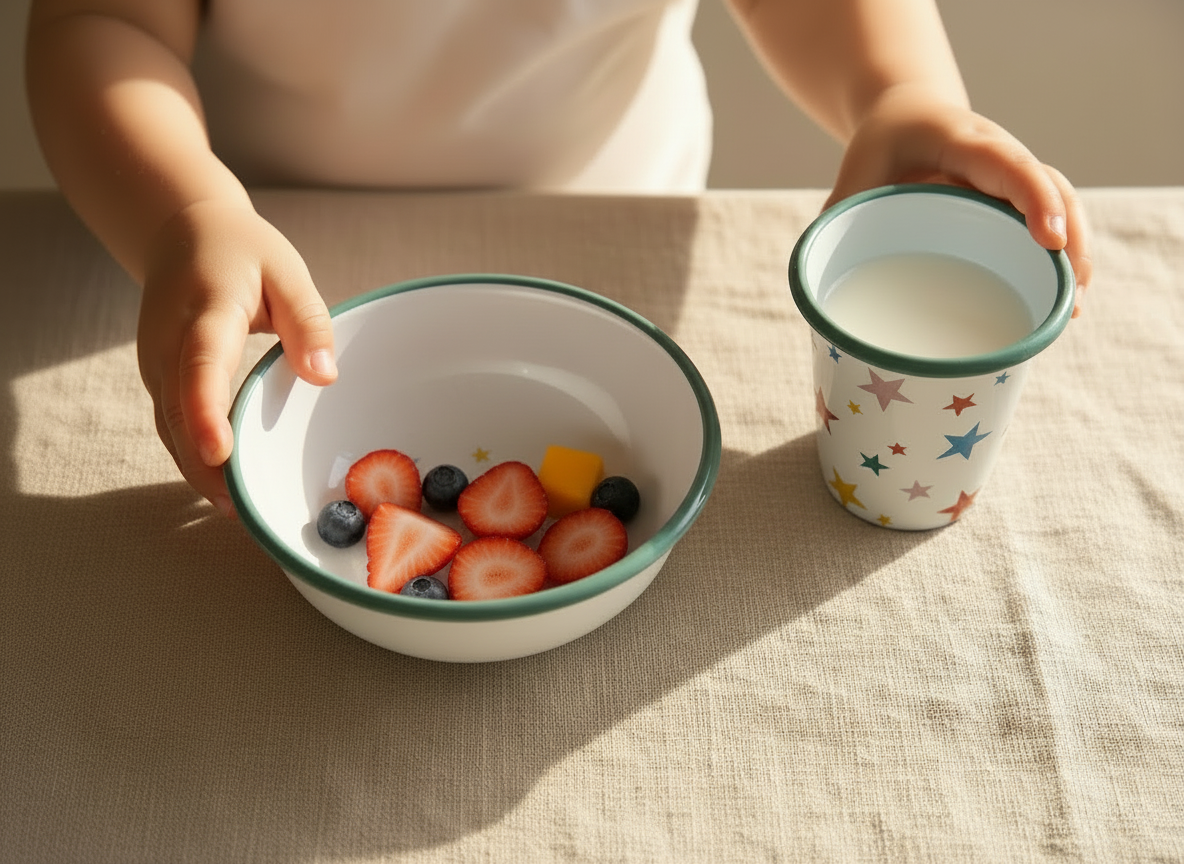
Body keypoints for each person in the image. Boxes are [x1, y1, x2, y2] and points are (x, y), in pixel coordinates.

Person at [25, 0, 1092, 517]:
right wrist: (183, 212)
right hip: (269, 243)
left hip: (619, 235)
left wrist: (896, 93)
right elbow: (100, 19)